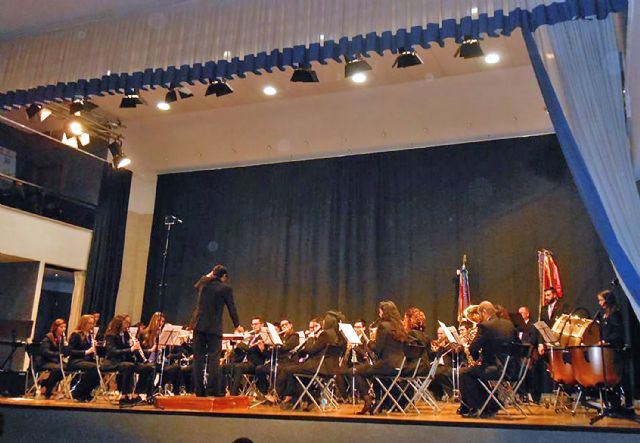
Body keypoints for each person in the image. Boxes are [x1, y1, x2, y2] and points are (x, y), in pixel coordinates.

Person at [458, 301, 517, 418]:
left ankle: (480, 407)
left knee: (465, 373)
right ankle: (492, 404)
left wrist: (471, 354)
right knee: (477, 373)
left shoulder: (485, 326)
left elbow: (473, 348)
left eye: (479, 314)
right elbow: (517, 345)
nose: (479, 317)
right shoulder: (509, 324)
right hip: (513, 369)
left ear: (484, 312)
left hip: (496, 369)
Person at [276, 311, 345, 410]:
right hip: (332, 369)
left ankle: (291, 399)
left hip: (319, 367)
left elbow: (311, 351)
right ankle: (310, 399)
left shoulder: (325, 334)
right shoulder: (340, 335)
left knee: (288, 370)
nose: (324, 323)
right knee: (300, 374)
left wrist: (310, 339)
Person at [191, 264, 240, 397]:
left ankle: (199, 391)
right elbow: (232, 307)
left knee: (198, 359)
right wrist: (237, 325)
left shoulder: (203, 283)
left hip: (198, 326)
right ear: (224, 276)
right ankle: (211, 390)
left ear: (213, 273)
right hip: (214, 328)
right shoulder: (225, 288)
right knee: (214, 359)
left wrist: (210, 274)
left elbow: (196, 286)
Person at [354, 301, 407, 415]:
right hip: (399, 365)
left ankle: (368, 400)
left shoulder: (383, 326)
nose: (379, 314)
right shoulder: (400, 326)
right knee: (375, 373)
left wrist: (369, 342)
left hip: (387, 365)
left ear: (384, 313)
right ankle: (380, 402)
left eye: (380, 312)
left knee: (357, 371)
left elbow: (378, 350)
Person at [102, 315, 143, 405]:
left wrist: (133, 346)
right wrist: (130, 349)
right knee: (128, 366)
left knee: (148, 367)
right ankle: (124, 396)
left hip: (124, 361)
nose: (128, 325)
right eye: (126, 323)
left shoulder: (125, 334)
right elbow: (112, 351)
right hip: (112, 362)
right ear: (119, 323)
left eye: (129, 323)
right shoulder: (110, 335)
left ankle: (136, 395)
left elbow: (127, 350)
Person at [67, 314, 101, 402]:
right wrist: (86, 352)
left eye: (93, 323)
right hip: (75, 361)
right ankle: (78, 392)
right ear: (83, 323)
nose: (92, 326)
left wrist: (95, 347)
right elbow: (70, 351)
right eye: (90, 323)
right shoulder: (76, 335)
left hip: (86, 361)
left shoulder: (90, 336)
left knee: (101, 368)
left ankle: (87, 392)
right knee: (94, 368)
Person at [39, 319, 68, 399]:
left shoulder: (61, 338)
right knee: (58, 369)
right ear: (56, 328)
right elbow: (44, 351)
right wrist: (57, 354)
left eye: (65, 327)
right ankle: (48, 390)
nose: (64, 329)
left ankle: (46, 383)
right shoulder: (49, 337)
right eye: (61, 327)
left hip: (56, 361)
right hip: (46, 361)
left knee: (67, 368)